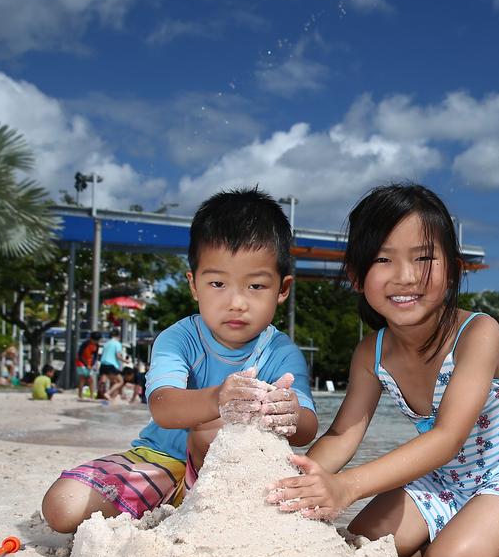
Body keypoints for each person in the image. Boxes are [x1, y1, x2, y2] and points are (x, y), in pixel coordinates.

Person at [264, 183, 499, 557]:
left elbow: (447, 437)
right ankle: (471, 533)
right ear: (356, 276)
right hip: (444, 477)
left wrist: (347, 487)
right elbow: (342, 433)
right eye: (383, 259)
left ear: (454, 268)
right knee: (362, 549)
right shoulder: (371, 353)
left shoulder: (479, 333)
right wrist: (296, 480)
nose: (406, 276)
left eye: (424, 258)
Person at [40, 187, 318, 533]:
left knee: (209, 434)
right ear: (194, 285)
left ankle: (199, 504)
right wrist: (219, 398)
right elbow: (163, 407)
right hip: (160, 458)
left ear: (282, 289)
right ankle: (180, 502)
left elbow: (307, 427)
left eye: (256, 286)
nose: (236, 302)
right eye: (218, 283)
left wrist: (290, 411)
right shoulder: (178, 338)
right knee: (62, 506)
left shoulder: (281, 352)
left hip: (235, 472)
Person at [96, 330, 125, 400]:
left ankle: (102, 395)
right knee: (120, 381)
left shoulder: (106, 343)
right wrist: (125, 361)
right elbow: (118, 356)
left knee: (108, 380)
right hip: (111, 364)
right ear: (118, 336)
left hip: (103, 364)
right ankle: (108, 393)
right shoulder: (117, 343)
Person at [75, 332, 101, 398]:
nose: (95, 342)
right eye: (94, 340)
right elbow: (80, 355)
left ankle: (91, 395)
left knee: (90, 379)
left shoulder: (97, 345)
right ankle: (80, 395)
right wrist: (86, 365)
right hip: (81, 362)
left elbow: (95, 356)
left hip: (89, 362)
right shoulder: (85, 344)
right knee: (83, 378)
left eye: (97, 340)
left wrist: (92, 364)